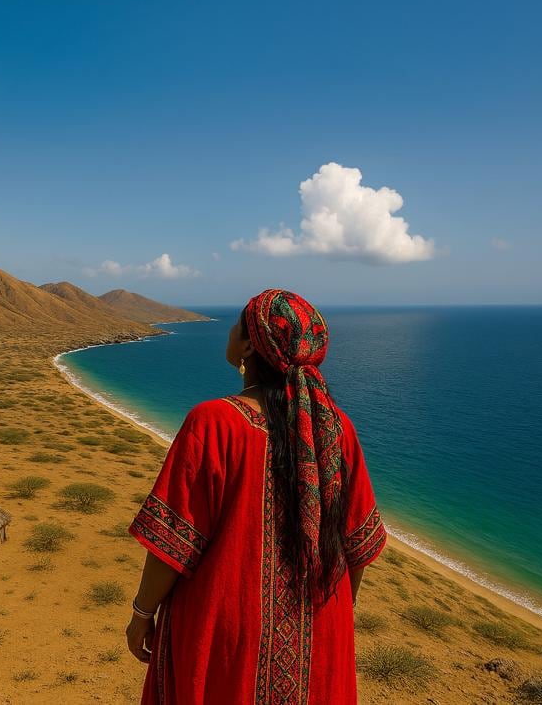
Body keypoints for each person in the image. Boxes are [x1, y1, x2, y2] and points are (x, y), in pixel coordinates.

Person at [124, 289, 386, 704]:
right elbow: (358, 548)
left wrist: (141, 613)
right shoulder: (339, 430)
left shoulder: (213, 423)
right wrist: (333, 622)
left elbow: (173, 543)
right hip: (319, 633)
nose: (229, 331)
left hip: (226, 640)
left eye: (236, 325)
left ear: (248, 344)